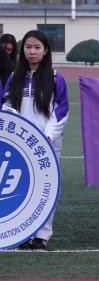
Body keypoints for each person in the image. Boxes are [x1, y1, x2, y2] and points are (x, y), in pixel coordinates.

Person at [2, 30, 69, 250]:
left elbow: (62, 110)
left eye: (37, 47)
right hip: (21, 145)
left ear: (45, 51)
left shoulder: (55, 77)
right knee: (24, 187)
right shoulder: (15, 77)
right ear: (23, 51)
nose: (32, 51)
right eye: (28, 47)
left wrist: (47, 135)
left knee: (47, 188)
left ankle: (42, 235)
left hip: (48, 144)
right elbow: (6, 105)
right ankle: (26, 233)